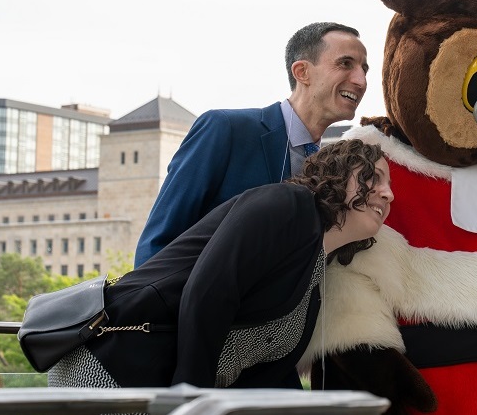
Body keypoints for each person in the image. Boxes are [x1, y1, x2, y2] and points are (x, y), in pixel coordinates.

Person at [48, 139, 393, 389]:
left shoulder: (315, 273)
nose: (388, 193)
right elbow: (209, 291)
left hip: (164, 391)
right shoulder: (287, 203)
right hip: (114, 371)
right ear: (339, 171)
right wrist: (191, 397)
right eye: (375, 177)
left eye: (389, 185)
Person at [134, 21, 369, 267]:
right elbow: (158, 241)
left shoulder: (331, 169)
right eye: (345, 64)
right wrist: (147, 302)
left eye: (364, 70)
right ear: (302, 72)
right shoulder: (225, 128)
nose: (361, 81)